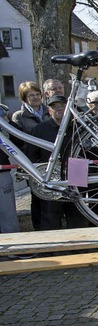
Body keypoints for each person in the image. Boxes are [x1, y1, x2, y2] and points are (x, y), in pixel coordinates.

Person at [26, 95, 89, 231]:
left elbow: (87, 152)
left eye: (62, 106)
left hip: (75, 173)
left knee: (77, 216)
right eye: (54, 107)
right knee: (50, 218)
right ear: (49, 111)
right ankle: (50, 250)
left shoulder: (79, 127)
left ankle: (81, 247)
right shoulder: (39, 129)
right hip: (51, 177)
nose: (58, 109)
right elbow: (31, 155)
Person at [11, 81, 47, 231]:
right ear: (24, 98)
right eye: (31, 95)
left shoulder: (48, 111)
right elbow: (17, 140)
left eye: (37, 94)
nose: (35, 98)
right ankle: (38, 229)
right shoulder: (19, 116)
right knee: (37, 197)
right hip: (32, 161)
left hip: (48, 158)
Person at [0, 105, 20, 235]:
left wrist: (6, 120)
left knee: (9, 216)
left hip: (2, 174)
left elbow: (19, 139)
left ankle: (15, 251)